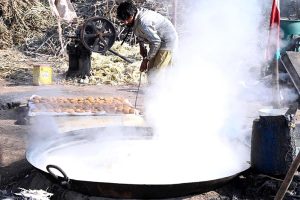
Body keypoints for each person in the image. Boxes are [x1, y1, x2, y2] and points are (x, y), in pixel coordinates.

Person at [116, 1, 178, 76]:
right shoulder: (135, 16)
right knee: (150, 71)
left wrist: (146, 60)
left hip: (167, 40)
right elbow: (141, 35)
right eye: (123, 19)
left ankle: (159, 87)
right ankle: (152, 87)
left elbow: (156, 42)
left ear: (132, 14)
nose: (125, 22)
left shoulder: (143, 22)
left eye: (127, 19)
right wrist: (142, 47)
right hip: (156, 40)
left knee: (156, 72)